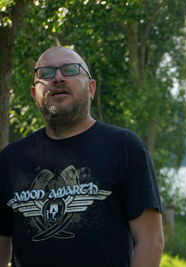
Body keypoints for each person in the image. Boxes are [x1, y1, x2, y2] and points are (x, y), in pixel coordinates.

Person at [0, 46, 164, 267]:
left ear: (91, 88)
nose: (57, 78)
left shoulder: (124, 147)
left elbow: (151, 241)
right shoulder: (12, 158)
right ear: (34, 94)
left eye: (69, 70)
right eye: (46, 73)